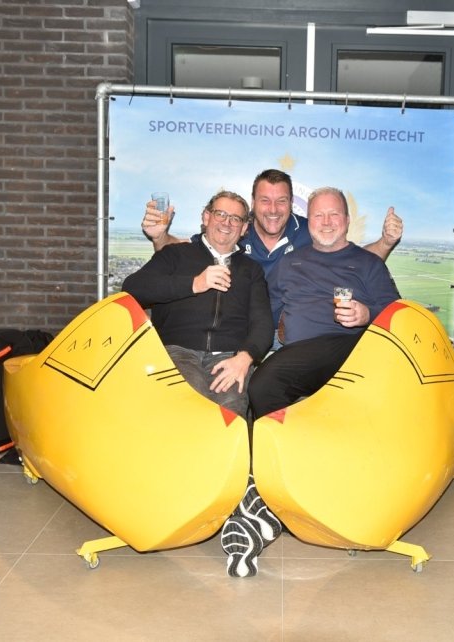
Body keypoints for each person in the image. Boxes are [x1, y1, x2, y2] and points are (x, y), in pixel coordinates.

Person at [219, 186, 401, 578]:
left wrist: (367, 313)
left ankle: (285, 487)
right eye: (318, 215)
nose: (327, 222)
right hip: (301, 355)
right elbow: (265, 314)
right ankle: (278, 481)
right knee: (263, 385)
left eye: (334, 214)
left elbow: (397, 312)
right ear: (308, 221)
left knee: (276, 379)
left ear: (347, 221)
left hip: (354, 350)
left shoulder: (367, 264)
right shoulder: (290, 264)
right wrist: (243, 351)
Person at [120, 190, 272, 417]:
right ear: (206, 217)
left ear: (244, 229)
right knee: (192, 408)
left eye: (235, 218)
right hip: (178, 351)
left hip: (229, 357)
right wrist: (194, 284)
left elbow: (263, 323)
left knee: (230, 411)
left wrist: (245, 358)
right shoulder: (175, 255)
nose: (227, 223)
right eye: (220, 214)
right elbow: (133, 288)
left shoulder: (251, 270)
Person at [142, 169, 403, 275]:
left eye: (282, 201)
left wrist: (386, 242)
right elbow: (180, 253)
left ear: (292, 203)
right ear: (253, 202)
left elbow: (356, 260)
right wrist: (159, 236)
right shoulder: (235, 229)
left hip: (291, 335)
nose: (274, 210)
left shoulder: (310, 230)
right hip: (241, 332)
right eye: (265, 200)